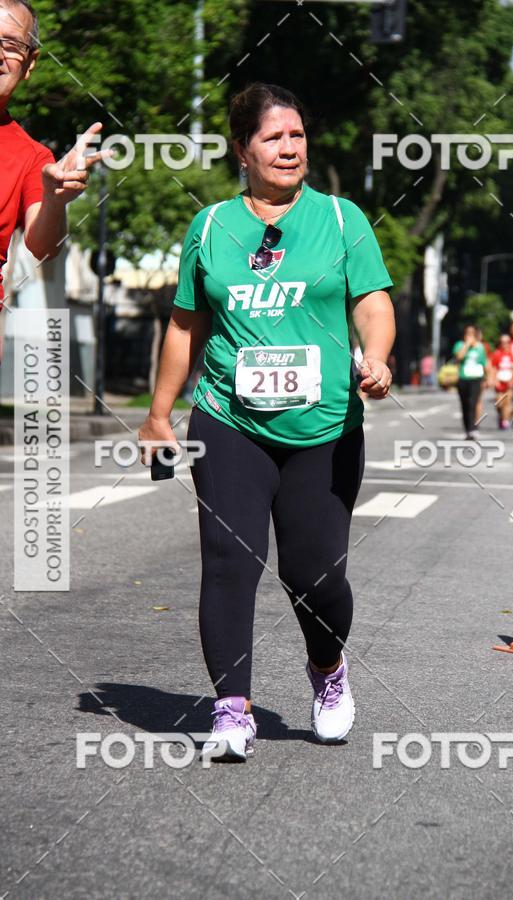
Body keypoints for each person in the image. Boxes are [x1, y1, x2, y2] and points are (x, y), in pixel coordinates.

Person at [138, 83, 395, 762]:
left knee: (315, 577)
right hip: (229, 419)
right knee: (229, 562)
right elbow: (186, 324)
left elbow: (372, 302)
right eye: (275, 137)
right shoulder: (212, 227)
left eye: (298, 135)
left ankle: (328, 672)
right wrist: (159, 414)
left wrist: (377, 356)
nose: (291, 147)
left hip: (324, 428)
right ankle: (231, 709)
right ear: (243, 150)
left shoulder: (342, 221)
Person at [0, 0, 108, 309]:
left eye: (10, 45)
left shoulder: (33, 156)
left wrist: (54, 199)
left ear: (30, 62)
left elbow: (44, 247)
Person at [452, 324, 488, 439]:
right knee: (465, 404)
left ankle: (473, 429)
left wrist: (488, 378)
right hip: (463, 377)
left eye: (472, 333)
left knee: (473, 402)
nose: (470, 336)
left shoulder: (480, 347)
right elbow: (459, 357)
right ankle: (467, 429)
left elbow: (484, 363)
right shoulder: (459, 345)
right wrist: (467, 345)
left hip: (477, 378)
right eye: (468, 333)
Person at [490, 334, 513, 429]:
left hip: (509, 382)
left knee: (507, 402)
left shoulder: (512, 354)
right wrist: (494, 380)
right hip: (500, 381)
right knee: (499, 403)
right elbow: (493, 368)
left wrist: (512, 379)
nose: (505, 344)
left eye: (507, 342)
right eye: (502, 342)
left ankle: (505, 421)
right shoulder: (497, 354)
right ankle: (502, 416)